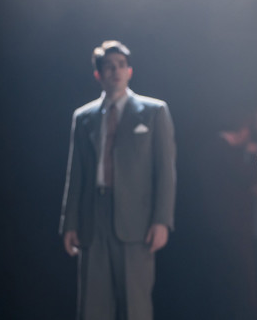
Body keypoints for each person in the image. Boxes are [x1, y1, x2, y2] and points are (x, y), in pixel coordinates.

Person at [59, 40, 176, 320]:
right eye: (109, 67)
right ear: (98, 74)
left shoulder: (154, 111)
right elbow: (75, 174)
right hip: (92, 217)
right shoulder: (83, 117)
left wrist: (162, 220)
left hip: (136, 221)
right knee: (93, 306)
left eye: (121, 65)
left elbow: (165, 170)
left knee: (134, 306)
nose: (116, 71)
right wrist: (70, 222)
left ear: (130, 71)